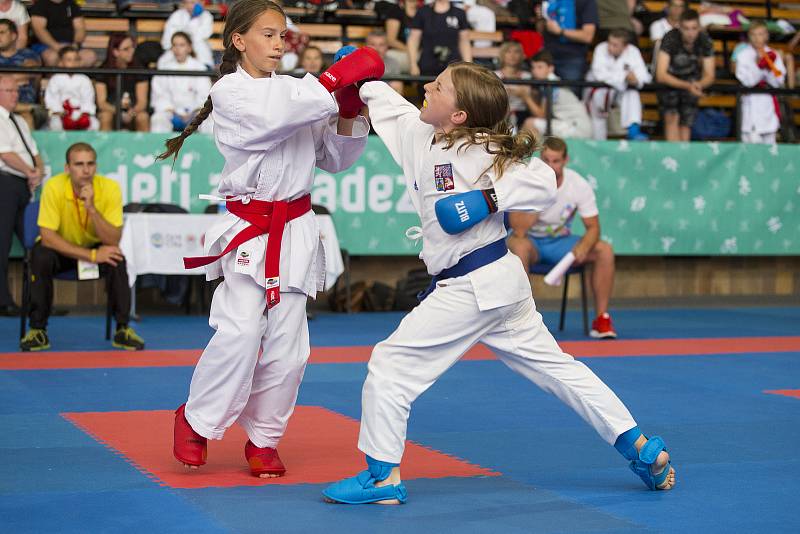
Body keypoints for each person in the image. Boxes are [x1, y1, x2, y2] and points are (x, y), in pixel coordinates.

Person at [321, 62, 675, 505]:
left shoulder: (481, 150)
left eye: (440, 86)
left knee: (391, 366)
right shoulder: (418, 133)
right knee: (558, 370)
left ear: (460, 115)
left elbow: (543, 180)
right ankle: (642, 449)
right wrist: (361, 77)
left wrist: (486, 199)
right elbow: (388, 104)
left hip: (474, 285)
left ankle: (382, 478)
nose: (428, 86)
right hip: (499, 285)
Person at [159, 0, 382, 478]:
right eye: (267, 34)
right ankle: (196, 419)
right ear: (239, 40)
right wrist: (330, 84)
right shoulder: (230, 92)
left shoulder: (301, 90)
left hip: (297, 226)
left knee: (290, 345)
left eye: (283, 34)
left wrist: (347, 110)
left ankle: (263, 439)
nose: (279, 43)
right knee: (241, 331)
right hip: (251, 228)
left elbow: (335, 159)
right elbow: (270, 121)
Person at [19, 142, 145, 352]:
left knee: (116, 256)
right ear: (67, 168)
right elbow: (48, 237)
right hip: (62, 249)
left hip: (95, 247)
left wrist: (92, 208)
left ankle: (122, 329)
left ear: (95, 166)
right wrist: (92, 255)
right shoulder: (54, 186)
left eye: (90, 163)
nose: (85, 170)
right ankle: (38, 330)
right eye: (79, 164)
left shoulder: (110, 188)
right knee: (40, 255)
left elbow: (113, 240)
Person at [508, 136, 618, 337]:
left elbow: (593, 227)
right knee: (519, 247)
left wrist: (584, 246)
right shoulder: (528, 181)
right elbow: (519, 229)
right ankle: (521, 321)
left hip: (561, 244)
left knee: (604, 250)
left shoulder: (578, 184)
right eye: (546, 160)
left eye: (556, 161)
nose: (551, 166)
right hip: (532, 243)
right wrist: (540, 194)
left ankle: (602, 319)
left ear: (565, 161)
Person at [0, 75, 44, 317]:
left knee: (36, 243)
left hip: (23, 185)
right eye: (8, 90)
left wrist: (38, 171)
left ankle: (37, 302)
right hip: (5, 183)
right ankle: (3, 300)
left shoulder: (19, 120)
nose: (14, 95)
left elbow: (34, 152)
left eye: (16, 91)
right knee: (2, 243)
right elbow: (5, 155)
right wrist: (30, 171)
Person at [655, 9, 715, 141]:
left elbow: (710, 75)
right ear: (679, 27)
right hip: (670, 86)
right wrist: (689, 86)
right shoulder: (670, 38)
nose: (691, 33)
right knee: (672, 119)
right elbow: (661, 75)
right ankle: (674, 158)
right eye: (686, 28)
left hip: (691, 88)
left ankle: (683, 159)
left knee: (686, 126)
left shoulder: (705, 40)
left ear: (699, 27)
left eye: (694, 28)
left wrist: (699, 85)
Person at [586, 29, 651, 140]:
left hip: (620, 92)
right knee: (598, 122)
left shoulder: (632, 51)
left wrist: (635, 79)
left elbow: (644, 76)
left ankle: (633, 130)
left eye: (615, 45)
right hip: (598, 91)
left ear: (625, 47)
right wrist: (625, 76)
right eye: (610, 43)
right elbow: (599, 75)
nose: (610, 47)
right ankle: (598, 145)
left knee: (632, 93)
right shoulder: (601, 48)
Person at [151, 32, 213, 134]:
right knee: (158, 119)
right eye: (174, 45)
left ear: (189, 48)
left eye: (182, 45)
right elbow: (159, 95)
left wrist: (195, 111)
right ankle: (159, 150)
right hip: (171, 113)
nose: (177, 49)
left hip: (195, 113)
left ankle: (209, 150)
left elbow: (205, 95)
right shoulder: (164, 68)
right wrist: (171, 110)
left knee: (209, 120)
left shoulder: (200, 68)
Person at [520, 50, 592, 139]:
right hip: (569, 123)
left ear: (550, 68)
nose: (535, 71)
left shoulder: (551, 83)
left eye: (540, 67)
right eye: (533, 67)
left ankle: (520, 153)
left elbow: (541, 114)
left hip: (576, 127)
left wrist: (525, 97)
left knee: (530, 123)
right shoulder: (548, 82)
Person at [735, 21, 786, 144]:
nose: (758, 38)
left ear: (767, 36)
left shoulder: (773, 55)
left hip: (768, 104)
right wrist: (759, 67)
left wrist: (768, 68)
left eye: (761, 34)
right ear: (749, 37)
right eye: (754, 35)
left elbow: (779, 81)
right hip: (750, 104)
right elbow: (747, 82)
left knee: (770, 147)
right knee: (751, 148)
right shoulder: (743, 56)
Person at [96, 33, 150, 132]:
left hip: (133, 111)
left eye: (132, 47)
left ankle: (144, 147)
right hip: (111, 110)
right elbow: (101, 103)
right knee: (105, 116)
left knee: (143, 117)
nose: (132, 51)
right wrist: (118, 112)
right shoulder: (103, 70)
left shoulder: (139, 69)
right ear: (115, 52)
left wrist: (131, 112)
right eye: (126, 49)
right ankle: (105, 147)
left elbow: (142, 102)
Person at [540, 0, 598, 87]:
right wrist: (541, 18)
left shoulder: (587, 2)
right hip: (547, 56)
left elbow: (587, 36)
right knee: (543, 95)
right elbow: (541, 30)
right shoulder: (550, 1)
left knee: (570, 97)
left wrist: (560, 31)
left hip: (572, 58)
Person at [407, 0, 472, 77]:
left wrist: (469, 66)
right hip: (428, 63)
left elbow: (464, 41)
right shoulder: (423, 12)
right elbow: (413, 40)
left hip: (453, 64)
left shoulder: (459, 13)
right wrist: (413, 64)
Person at [44, 46, 99, 131]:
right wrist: (60, 112)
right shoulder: (55, 79)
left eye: (76, 60)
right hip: (61, 113)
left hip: (80, 112)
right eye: (69, 60)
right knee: (56, 125)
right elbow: (52, 99)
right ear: (61, 62)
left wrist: (84, 113)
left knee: (95, 125)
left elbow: (88, 99)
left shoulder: (84, 79)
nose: (73, 63)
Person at [28, 0, 96, 67]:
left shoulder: (72, 4)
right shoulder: (40, 5)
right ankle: (56, 77)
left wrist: (75, 45)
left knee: (89, 56)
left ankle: (74, 77)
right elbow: (39, 30)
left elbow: (80, 29)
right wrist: (57, 46)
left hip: (71, 46)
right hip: (45, 46)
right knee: (52, 57)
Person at [0, 19, 41, 129]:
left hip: (24, 103)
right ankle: (28, 107)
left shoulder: (28, 54)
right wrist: (20, 76)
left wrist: (4, 79)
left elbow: (33, 72)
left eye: (2, 32)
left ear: (13, 36)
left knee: (26, 118)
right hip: (1, 104)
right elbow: (26, 74)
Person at [159, 0, 214, 70]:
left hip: (200, 54)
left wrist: (194, 19)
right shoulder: (177, 15)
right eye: (186, 3)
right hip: (176, 54)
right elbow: (166, 41)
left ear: (201, 3)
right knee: (163, 66)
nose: (189, 6)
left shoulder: (206, 16)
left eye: (192, 3)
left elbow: (203, 35)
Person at [495, 41, 533, 132]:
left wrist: (524, 95)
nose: (512, 55)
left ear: (522, 55)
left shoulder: (528, 77)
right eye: (508, 52)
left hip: (523, 115)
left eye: (516, 52)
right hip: (499, 116)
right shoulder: (494, 75)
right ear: (502, 55)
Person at [374, 0, 417, 74]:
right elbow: (391, 40)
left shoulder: (424, 10)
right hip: (400, 51)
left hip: (419, 52)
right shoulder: (396, 10)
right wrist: (411, 50)